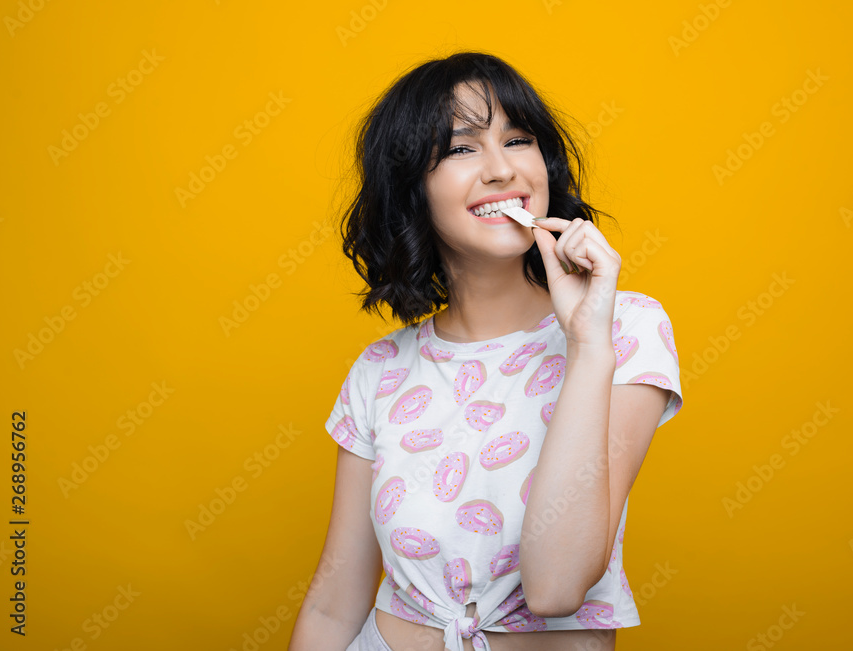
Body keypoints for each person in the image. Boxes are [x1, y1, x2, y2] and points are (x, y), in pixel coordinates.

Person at [288, 51, 684, 651]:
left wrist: (586, 345)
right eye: (461, 148)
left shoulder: (623, 329)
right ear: (412, 188)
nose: (502, 170)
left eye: (518, 140)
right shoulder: (380, 370)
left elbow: (555, 588)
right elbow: (331, 604)